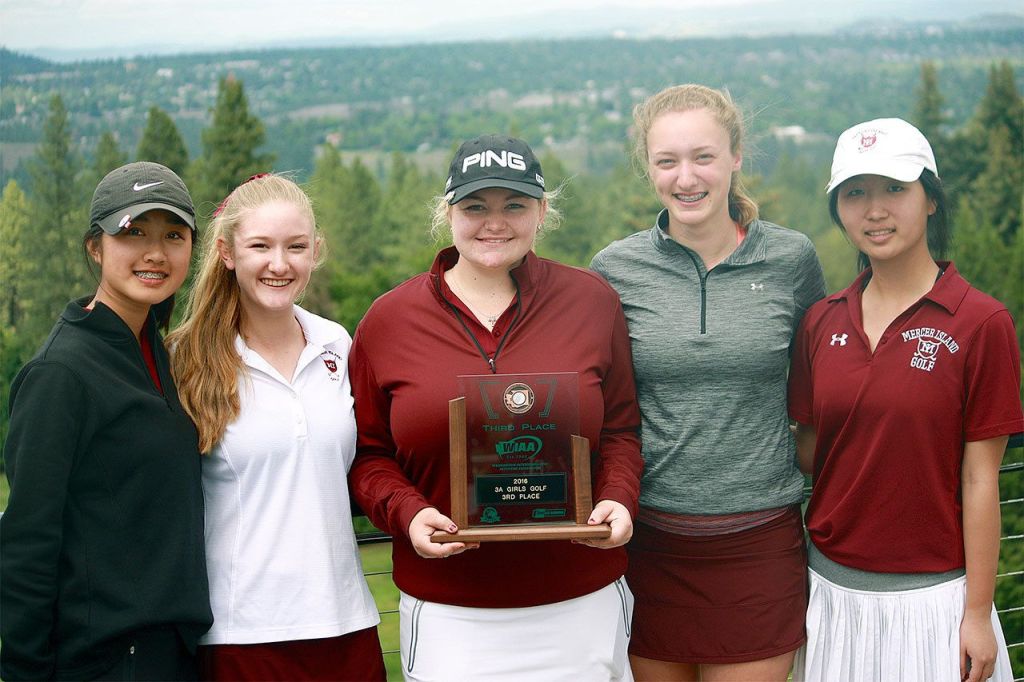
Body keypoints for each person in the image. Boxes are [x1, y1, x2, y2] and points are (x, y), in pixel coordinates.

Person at [348, 134, 643, 681]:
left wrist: (619, 498)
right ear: (448, 212)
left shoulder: (591, 301)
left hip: (580, 602)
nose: (494, 222)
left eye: (514, 205)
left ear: (542, 211)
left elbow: (623, 430)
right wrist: (408, 514)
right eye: (475, 207)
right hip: (449, 613)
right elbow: (368, 456)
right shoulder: (388, 320)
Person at [590, 84, 826, 681]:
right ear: (649, 167)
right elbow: (598, 403)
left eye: (704, 156)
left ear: (736, 157)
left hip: (760, 543)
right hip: (648, 543)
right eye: (667, 161)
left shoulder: (792, 260)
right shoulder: (614, 269)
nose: (686, 177)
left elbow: (825, 390)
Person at [788, 117, 1022, 682]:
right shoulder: (820, 321)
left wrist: (976, 614)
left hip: (936, 604)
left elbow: (981, 479)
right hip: (830, 596)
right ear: (839, 210)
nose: (875, 210)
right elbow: (810, 450)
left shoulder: (982, 321)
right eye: (855, 193)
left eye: (896, 189)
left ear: (931, 200)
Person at [1, 162, 213, 680]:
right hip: (108, 661)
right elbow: (28, 542)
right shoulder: (60, 374)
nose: (155, 253)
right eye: (132, 232)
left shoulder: (155, 351)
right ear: (95, 247)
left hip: (173, 652)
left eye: (173, 235)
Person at [168, 173, 384, 681]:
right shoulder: (185, 358)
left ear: (316, 251)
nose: (279, 264)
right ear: (226, 253)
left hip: (347, 622)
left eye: (296, 246)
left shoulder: (336, 343)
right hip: (244, 632)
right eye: (260, 246)